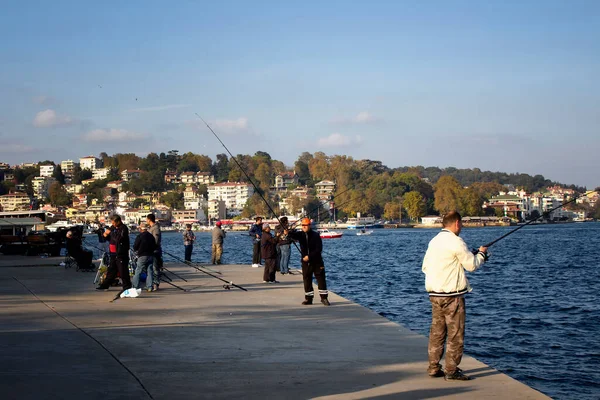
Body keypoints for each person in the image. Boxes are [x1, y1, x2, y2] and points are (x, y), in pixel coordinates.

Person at [421, 211, 489, 381]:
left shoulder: (434, 241)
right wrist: (481, 254)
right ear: (457, 223)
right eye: (462, 224)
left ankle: (433, 367)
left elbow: (425, 267)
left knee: (437, 332)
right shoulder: (456, 242)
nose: (462, 227)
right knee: (455, 333)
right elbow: (472, 265)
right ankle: (451, 370)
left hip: (434, 295)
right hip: (452, 296)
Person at [286, 218, 330, 306]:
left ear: (309, 225)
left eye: (306, 225)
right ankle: (309, 299)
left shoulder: (316, 235)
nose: (304, 227)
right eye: (302, 225)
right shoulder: (300, 235)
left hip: (317, 261)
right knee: (307, 279)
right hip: (305, 262)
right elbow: (293, 235)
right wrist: (287, 233)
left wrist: (309, 257)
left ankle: (324, 298)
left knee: (321, 279)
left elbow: (319, 249)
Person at [96, 214, 131, 291]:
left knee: (123, 271)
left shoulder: (123, 228)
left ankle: (127, 286)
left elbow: (119, 238)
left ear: (118, 221)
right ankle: (105, 285)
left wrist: (110, 232)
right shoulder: (113, 228)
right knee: (111, 270)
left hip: (120, 253)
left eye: (114, 222)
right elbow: (110, 238)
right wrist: (105, 235)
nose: (113, 224)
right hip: (113, 253)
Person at [131, 223, 156, 292]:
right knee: (150, 271)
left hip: (142, 256)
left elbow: (135, 247)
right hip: (150, 255)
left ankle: (135, 286)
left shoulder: (140, 236)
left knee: (138, 270)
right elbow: (154, 246)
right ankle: (150, 287)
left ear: (141, 229)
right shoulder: (151, 236)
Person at [147, 214, 163, 291]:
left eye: (147, 219)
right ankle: (151, 283)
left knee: (155, 267)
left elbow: (156, 240)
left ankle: (156, 283)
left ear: (149, 220)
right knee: (151, 268)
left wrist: (151, 247)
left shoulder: (155, 228)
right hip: (150, 251)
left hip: (155, 251)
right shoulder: (151, 228)